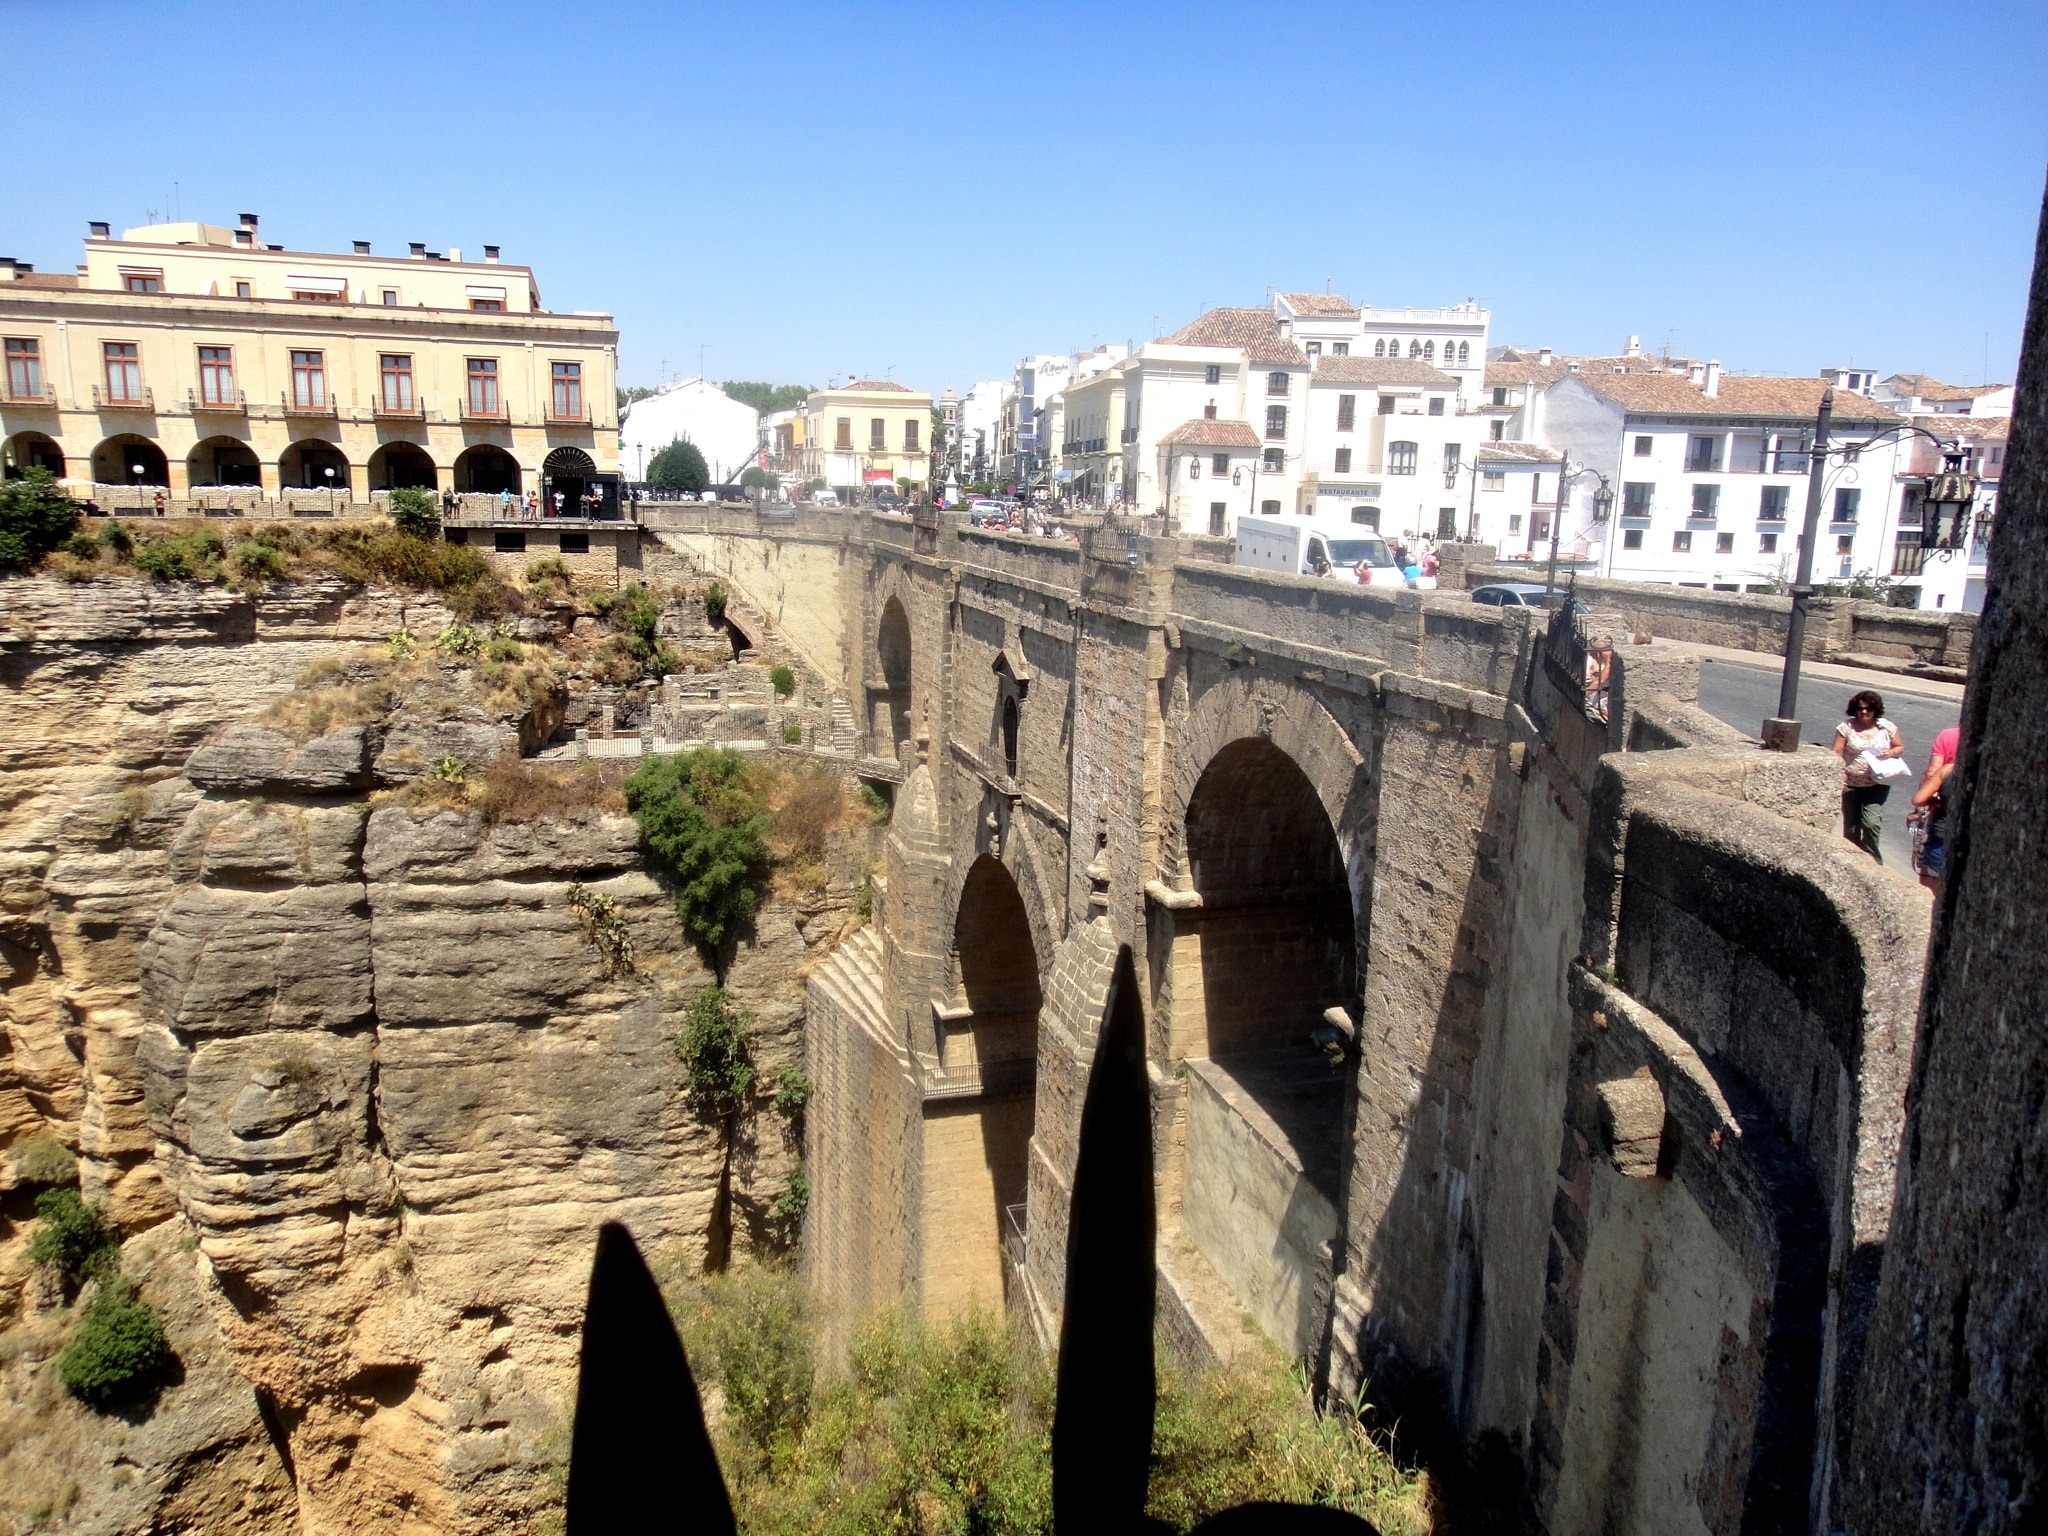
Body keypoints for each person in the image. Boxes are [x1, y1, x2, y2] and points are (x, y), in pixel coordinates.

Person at [1832, 689, 1907, 862]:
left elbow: (1899, 747)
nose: (1864, 712)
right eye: (1860, 709)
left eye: (1868, 709)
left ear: (1875, 710)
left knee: (1870, 822)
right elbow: (1837, 752)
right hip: (1851, 783)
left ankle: (1873, 860)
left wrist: (1890, 753)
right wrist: (1839, 774)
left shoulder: (1886, 727)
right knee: (1851, 827)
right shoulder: (1846, 728)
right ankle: (1852, 860)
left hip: (1877, 783)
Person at [1909, 726, 1960, 892]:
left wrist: (1932, 801)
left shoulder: (1947, 768)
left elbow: (1930, 774)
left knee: (1931, 892)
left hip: (1940, 837)